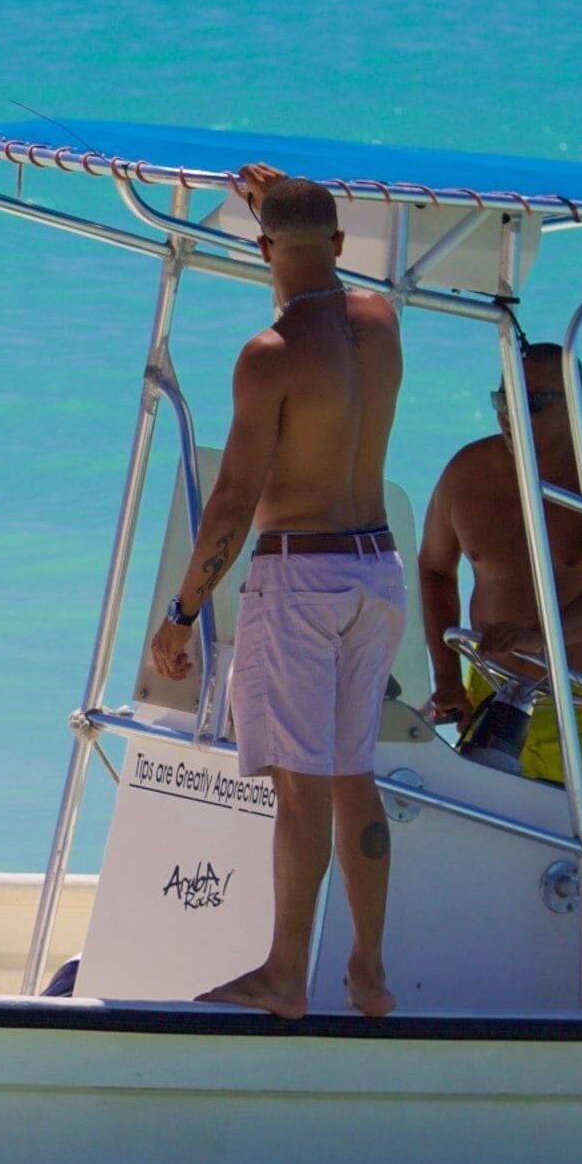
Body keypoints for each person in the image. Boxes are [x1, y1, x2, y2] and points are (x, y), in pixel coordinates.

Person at [145, 169, 407, 1021]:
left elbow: (232, 499)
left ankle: (285, 974)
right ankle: (367, 971)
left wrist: (183, 610)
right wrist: (279, 208)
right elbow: (320, 272)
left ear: (261, 252)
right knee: (353, 775)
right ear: (338, 244)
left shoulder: (271, 356)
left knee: (299, 786)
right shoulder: (382, 325)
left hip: (300, 575)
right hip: (377, 572)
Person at [419, 343, 582, 1008]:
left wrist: (540, 637)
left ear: (574, 406)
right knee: (480, 857)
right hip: (490, 687)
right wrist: (443, 675)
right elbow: (434, 568)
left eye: (535, 401)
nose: (512, 414)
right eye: (503, 398)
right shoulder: (469, 472)